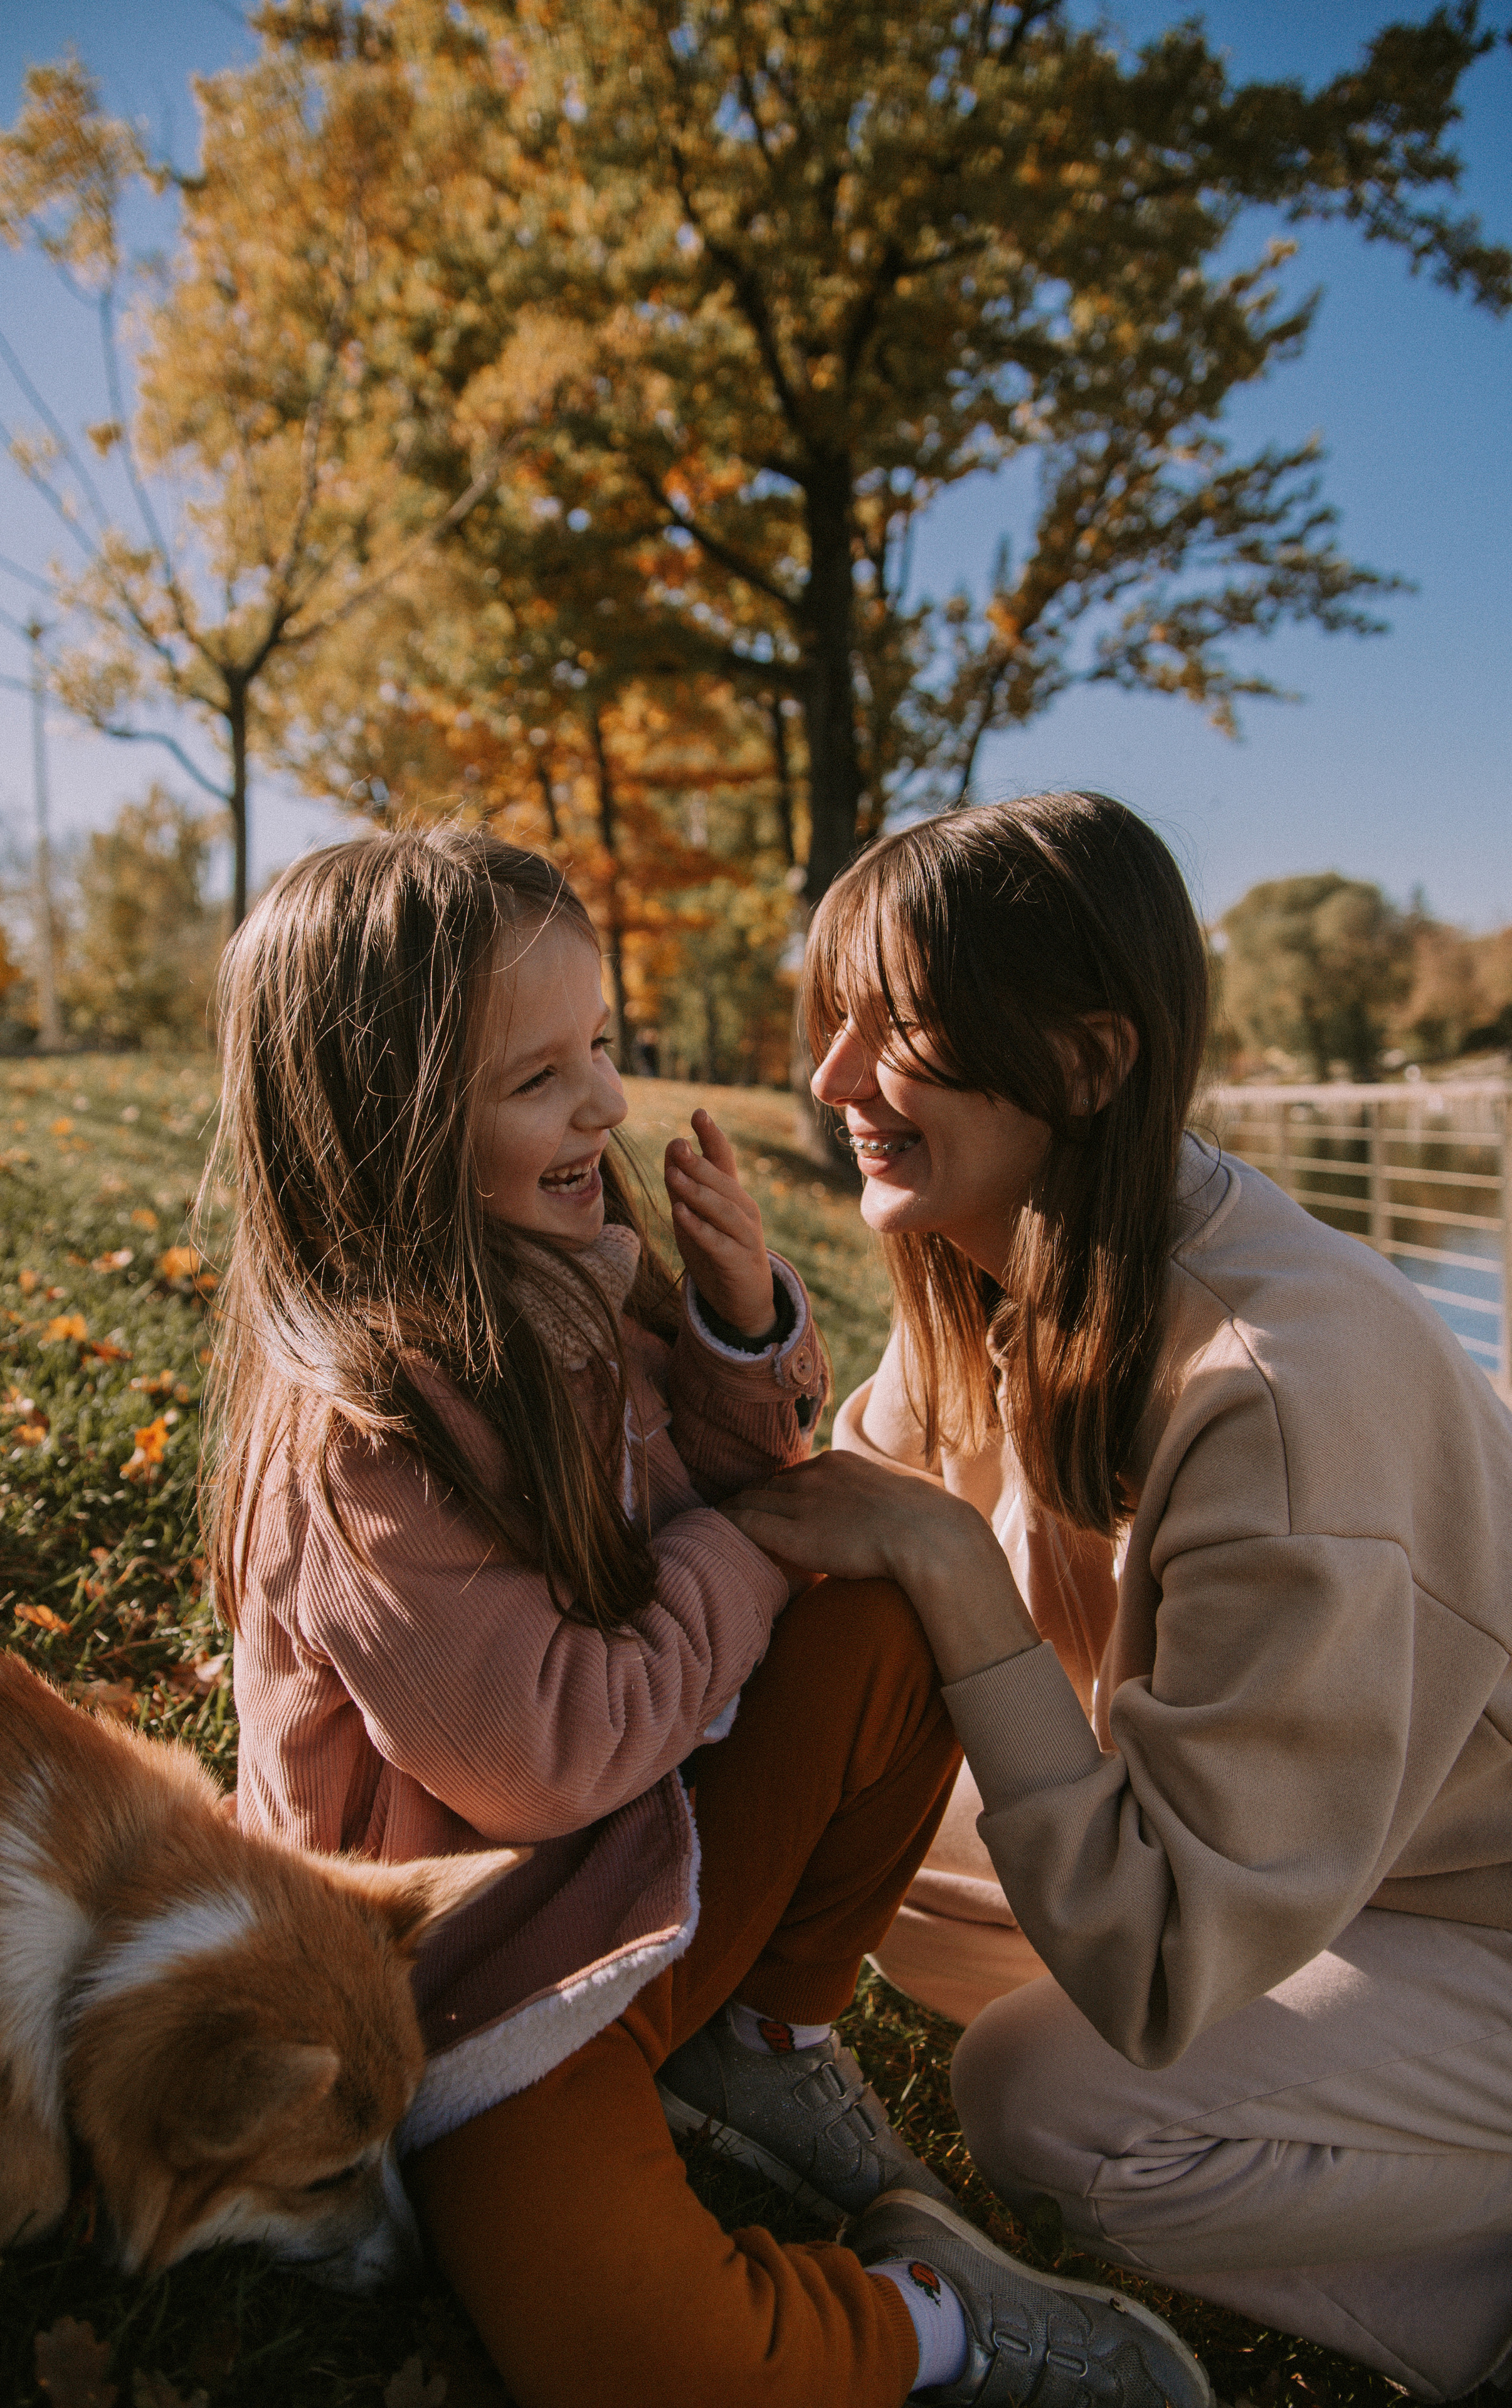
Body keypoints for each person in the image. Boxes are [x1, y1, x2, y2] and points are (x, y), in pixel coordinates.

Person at [204, 825, 1210, 2408]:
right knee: (638, 2357)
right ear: (381, 1130)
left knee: (884, 1624)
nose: (603, 1103)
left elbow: (735, 1515)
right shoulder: (357, 1448)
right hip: (470, 1991)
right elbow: (550, 1760)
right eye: (539, 1080)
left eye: (596, 1047)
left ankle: (760, 2033)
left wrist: (738, 1337)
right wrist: (746, 1544)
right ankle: (936, 2319)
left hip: (637, 1875)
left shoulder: (576, 1277)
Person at [727, 790, 1512, 2406]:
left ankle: (1476, 2287)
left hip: (1472, 1917)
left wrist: (953, 1573)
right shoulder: (1005, 1258)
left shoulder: (1284, 1395)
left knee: (1045, 2092)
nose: (828, 1082)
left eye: (900, 1028)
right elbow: (831, 1513)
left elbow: (1154, 1957)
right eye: (834, 1021)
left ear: (1084, 1061)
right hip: (1316, 1865)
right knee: (879, 1882)